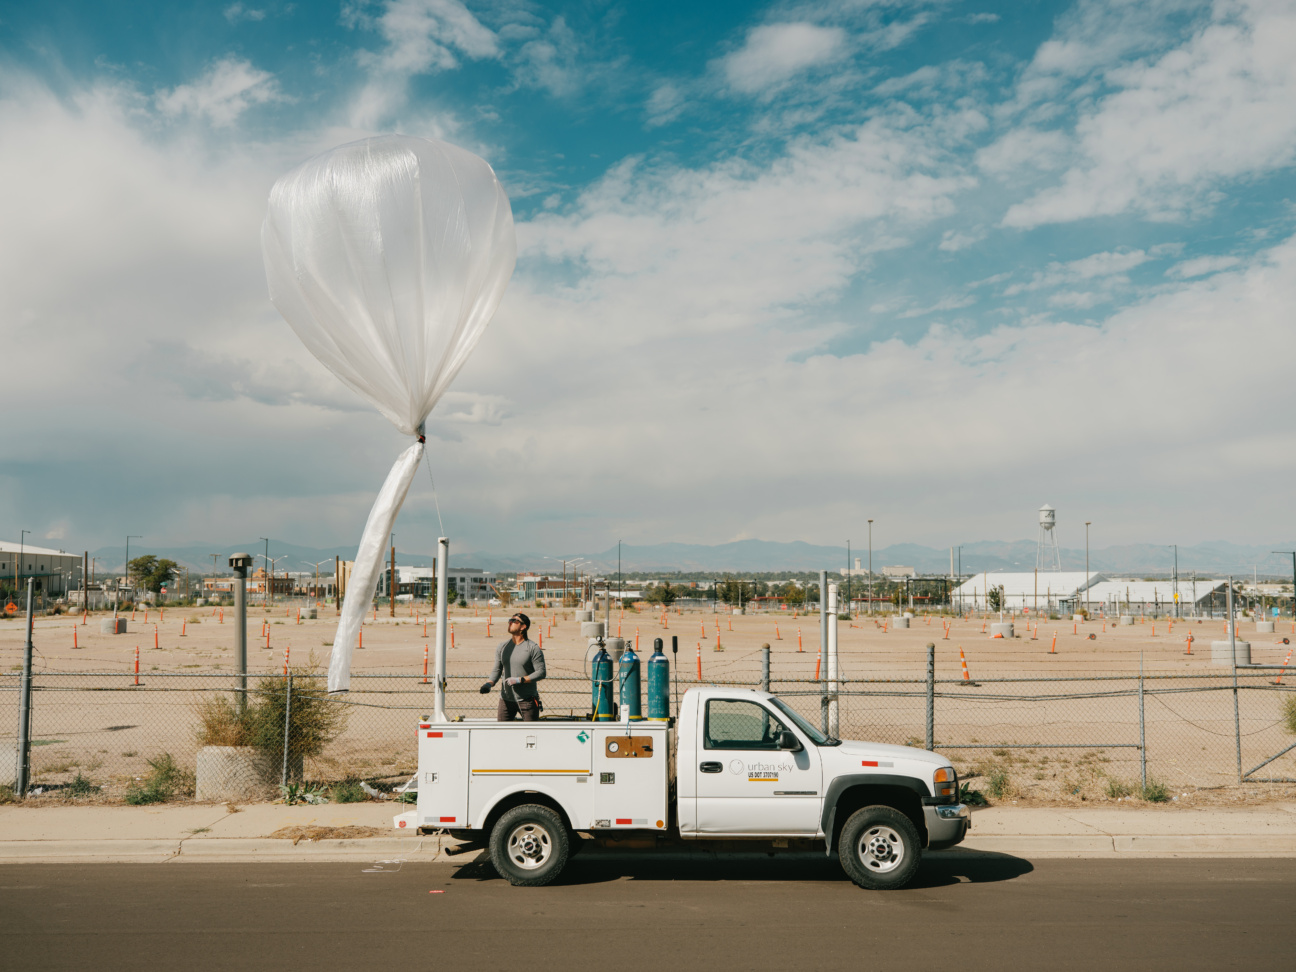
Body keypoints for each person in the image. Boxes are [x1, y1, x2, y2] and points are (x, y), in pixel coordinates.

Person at [480, 612, 546, 720]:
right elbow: (497, 669)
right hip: (506, 700)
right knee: (502, 733)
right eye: (509, 620)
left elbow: (541, 672)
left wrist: (520, 680)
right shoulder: (503, 647)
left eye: (514, 621)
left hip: (527, 701)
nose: (510, 623)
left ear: (523, 627)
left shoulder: (533, 648)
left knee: (531, 734)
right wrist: (489, 684)